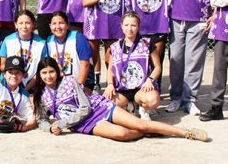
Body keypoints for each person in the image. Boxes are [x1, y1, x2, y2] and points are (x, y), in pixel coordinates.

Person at [33, 57, 208, 142]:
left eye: (51, 72)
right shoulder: (41, 95)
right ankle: (149, 132)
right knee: (122, 135)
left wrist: (62, 124)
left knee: (140, 124)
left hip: (97, 109)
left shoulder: (70, 81)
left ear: (58, 72)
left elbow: (85, 108)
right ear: (39, 76)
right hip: (85, 125)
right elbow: (41, 119)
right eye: (44, 73)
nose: (48, 76)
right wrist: (49, 128)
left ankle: (186, 132)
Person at [166, 0, 216, 115]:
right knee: (176, 58)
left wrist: (214, 12)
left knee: (194, 60)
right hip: (175, 16)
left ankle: (190, 99)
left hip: (199, 17)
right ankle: (176, 97)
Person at [125, 0, 170, 88]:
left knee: (156, 61)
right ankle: (137, 92)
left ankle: (155, 91)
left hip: (158, 24)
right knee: (140, 60)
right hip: (139, 25)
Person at [103, 12, 162, 121]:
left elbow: (158, 67)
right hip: (121, 89)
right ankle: (130, 106)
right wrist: (110, 84)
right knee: (104, 106)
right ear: (121, 26)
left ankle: (143, 109)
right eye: (126, 25)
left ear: (138, 26)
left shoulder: (147, 44)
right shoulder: (115, 47)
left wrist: (150, 80)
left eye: (133, 25)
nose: (130, 29)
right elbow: (111, 69)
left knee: (153, 100)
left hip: (142, 88)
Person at [82, 0, 126, 90]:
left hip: (114, 21)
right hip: (95, 20)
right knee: (94, 55)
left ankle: (112, 84)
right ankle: (96, 83)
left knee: (111, 57)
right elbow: (85, 2)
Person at [45, 11, 93, 94]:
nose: (57, 27)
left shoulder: (78, 37)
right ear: (50, 26)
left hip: (81, 82)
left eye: (61, 23)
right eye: (54, 24)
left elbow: (85, 64)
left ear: (67, 25)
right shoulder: (48, 41)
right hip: (59, 85)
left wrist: (79, 88)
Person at [0, 10, 47, 92]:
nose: (24, 26)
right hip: (10, 85)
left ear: (33, 24)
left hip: (32, 86)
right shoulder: (7, 40)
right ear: (16, 25)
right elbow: (2, 66)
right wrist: (15, 74)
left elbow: (42, 70)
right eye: (21, 23)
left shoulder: (42, 43)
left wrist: (26, 89)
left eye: (28, 23)